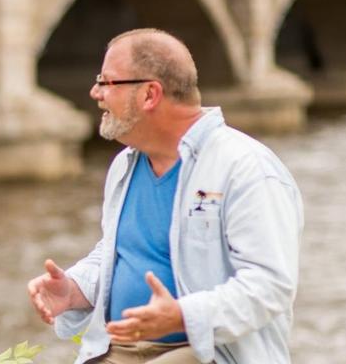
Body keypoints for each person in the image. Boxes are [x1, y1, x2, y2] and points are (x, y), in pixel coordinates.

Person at [26, 28, 303, 364]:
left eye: (106, 82)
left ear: (149, 95)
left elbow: (270, 287)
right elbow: (121, 253)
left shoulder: (247, 169)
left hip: (209, 352)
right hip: (117, 348)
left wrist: (183, 316)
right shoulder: (125, 164)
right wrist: (74, 290)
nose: (95, 92)